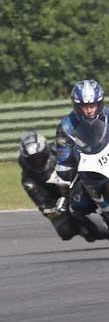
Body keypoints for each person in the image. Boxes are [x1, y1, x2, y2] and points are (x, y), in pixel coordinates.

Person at [18, 130, 102, 241]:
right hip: (60, 200)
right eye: (33, 159)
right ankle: (84, 229)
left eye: (39, 156)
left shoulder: (59, 149)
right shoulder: (28, 180)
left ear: (45, 149)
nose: (38, 161)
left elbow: (81, 151)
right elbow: (43, 204)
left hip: (78, 180)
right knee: (65, 230)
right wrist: (55, 209)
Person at [54, 79, 109, 237]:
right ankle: (93, 231)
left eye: (93, 105)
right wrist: (65, 168)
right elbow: (63, 155)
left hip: (107, 158)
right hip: (86, 168)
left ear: (100, 103)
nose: (89, 110)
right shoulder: (66, 125)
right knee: (77, 207)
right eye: (85, 106)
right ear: (77, 106)